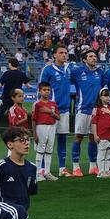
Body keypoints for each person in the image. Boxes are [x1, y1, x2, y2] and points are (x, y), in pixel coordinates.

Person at [39, 46, 72, 176]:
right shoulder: (48, 70)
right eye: (61, 53)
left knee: (62, 138)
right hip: (51, 110)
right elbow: (40, 88)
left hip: (64, 110)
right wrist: (42, 107)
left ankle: (62, 168)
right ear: (54, 55)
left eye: (65, 53)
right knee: (46, 140)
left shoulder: (68, 70)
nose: (64, 55)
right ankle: (42, 169)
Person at [70, 50, 104, 177]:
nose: (94, 58)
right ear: (84, 59)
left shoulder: (99, 72)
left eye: (95, 56)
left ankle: (93, 166)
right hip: (83, 110)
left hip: (95, 110)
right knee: (78, 137)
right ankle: (75, 167)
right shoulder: (77, 72)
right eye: (90, 56)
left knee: (93, 138)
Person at [0, 57, 30, 136]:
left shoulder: (6, 73)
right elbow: (28, 85)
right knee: (17, 116)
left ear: (10, 64)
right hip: (16, 99)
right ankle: (18, 132)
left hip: (6, 98)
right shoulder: (21, 74)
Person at [32, 82, 60, 181]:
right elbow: (34, 120)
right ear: (39, 91)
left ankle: (47, 172)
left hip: (52, 127)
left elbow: (58, 117)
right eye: (44, 90)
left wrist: (50, 112)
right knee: (40, 149)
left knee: (49, 150)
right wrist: (34, 133)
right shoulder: (37, 104)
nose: (47, 92)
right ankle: (38, 173)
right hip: (41, 127)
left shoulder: (53, 104)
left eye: (48, 90)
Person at [91, 88, 110, 178]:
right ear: (100, 97)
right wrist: (95, 135)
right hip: (102, 135)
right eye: (105, 96)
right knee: (102, 153)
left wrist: (109, 112)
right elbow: (93, 122)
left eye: (109, 96)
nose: (108, 98)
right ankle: (101, 171)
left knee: (109, 153)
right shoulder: (97, 108)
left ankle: (107, 170)